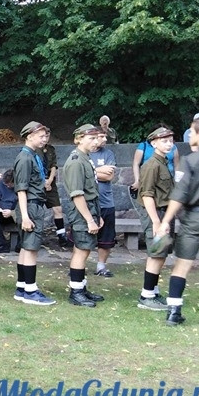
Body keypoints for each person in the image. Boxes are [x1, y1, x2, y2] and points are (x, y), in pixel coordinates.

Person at [156, 116, 199, 325]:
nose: (190, 134)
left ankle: (174, 312)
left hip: (195, 218)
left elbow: (179, 195)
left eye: (192, 131)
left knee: (182, 265)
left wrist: (166, 221)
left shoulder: (190, 160)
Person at [61, 124, 108, 308]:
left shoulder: (85, 158)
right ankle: (76, 292)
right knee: (81, 250)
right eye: (91, 138)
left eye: (97, 138)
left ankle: (82, 287)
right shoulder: (75, 161)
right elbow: (77, 194)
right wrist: (89, 219)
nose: (96, 142)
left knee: (85, 249)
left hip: (90, 211)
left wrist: (97, 217)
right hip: (82, 213)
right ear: (78, 139)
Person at [12, 122, 55, 305]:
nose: (44, 139)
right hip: (30, 206)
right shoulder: (25, 158)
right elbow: (21, 189)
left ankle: (22, 287)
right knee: (31, 249)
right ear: (29, 136)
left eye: (46, 136)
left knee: (25, 247)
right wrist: (26, 216)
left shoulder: (33, 156)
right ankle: (30, 291)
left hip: (33, 205)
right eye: (40, 135)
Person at [136, 126, 175, 311]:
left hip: (163, 213)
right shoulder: (152, 165)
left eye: (171, 141)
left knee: (161, 254)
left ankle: (153, 291)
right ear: (153, 143)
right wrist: (156, 222)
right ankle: (146, 295)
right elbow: (147, 195)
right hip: (156, 213)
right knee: (156, 254)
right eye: (164, 141)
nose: (169, 144)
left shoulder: (163, 162)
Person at [90, 132, 118, 276]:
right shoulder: (83, 153)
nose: (105, 139)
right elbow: (81, 174)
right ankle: (78, 267)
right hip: (88, 203)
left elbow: (109, 176)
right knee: (83, 236)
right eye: (102, 136)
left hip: (106, 203)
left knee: (106, 238)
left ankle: (101, 267)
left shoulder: (108, 154)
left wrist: (90, 171)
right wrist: (98, 171)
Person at [41, 130, 71, 248]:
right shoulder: (33, 150)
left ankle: (61, 236)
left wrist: (49, 181)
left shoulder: (51, 149)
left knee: (57, 209)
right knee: (35, 210)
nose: (45, 138)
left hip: (50, 182)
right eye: (43, 136)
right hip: (38, 183)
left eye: (47, 136)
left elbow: (54, 165)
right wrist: (43, 181)